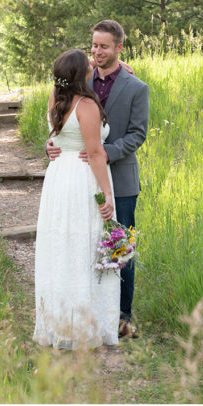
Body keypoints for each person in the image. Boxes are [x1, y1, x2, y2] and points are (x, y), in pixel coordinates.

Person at [47, 19, 149, 339]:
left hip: (120, 177)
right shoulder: (80, 79)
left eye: (104, 46)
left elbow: (137, 134)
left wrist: (105, 151)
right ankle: (91, 312)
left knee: (119, 248)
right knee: (86, 245)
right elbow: (63, 117)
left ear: (120, 48)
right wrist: (52, 143)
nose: (97, 51)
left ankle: (123, 317)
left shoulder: (136, 87)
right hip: (82, 181)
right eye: (93, 45)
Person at [34, 49, 119, 349]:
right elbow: (95, 153)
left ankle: (61, 322)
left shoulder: (55, 99)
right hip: (83, 178)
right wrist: (106, 194)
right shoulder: (86, 105)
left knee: (62, 246)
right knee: (87, 244)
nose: (92, 64)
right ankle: (87, 325)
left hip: (59, 179)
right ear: (80, 73)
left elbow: (58, 137)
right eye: (88, 63)